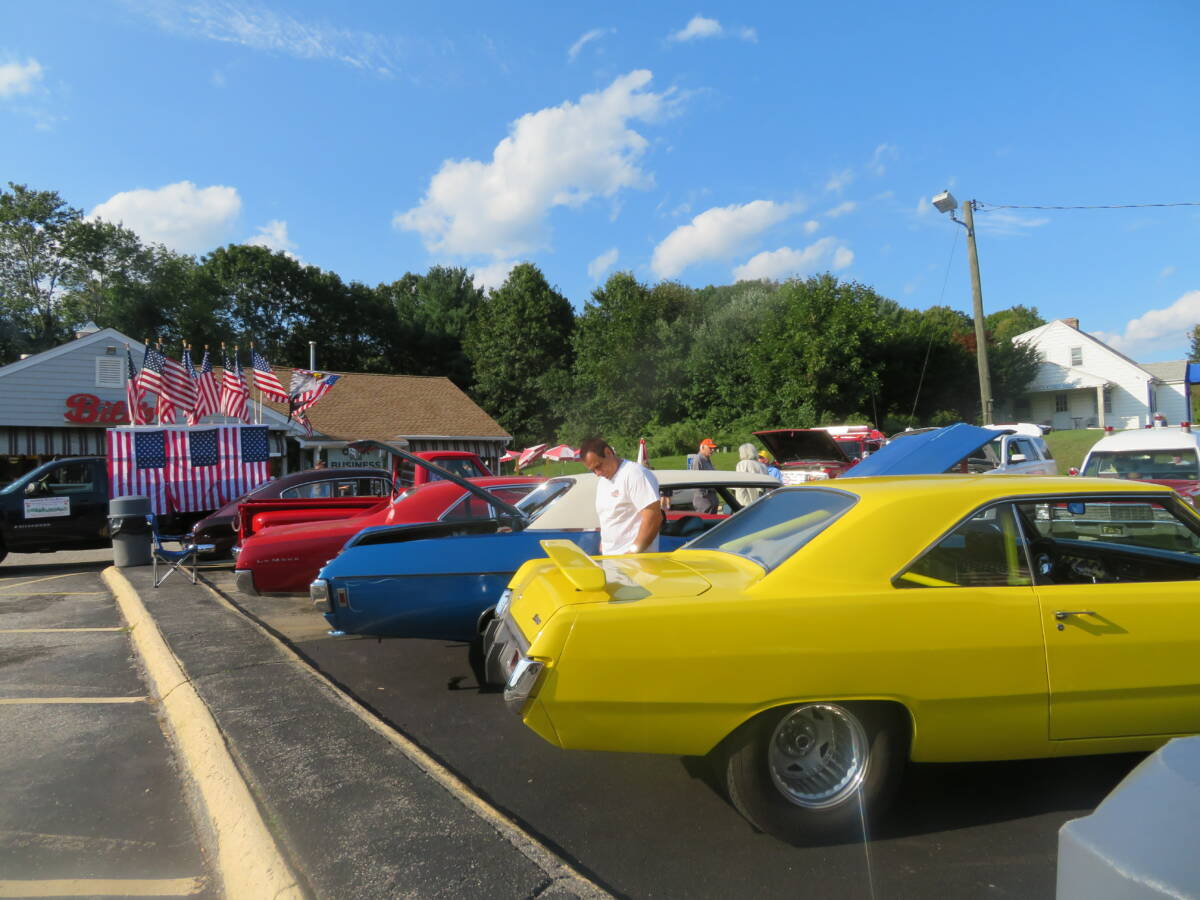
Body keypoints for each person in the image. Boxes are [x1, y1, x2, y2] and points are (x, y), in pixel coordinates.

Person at [579, 437, 661, 555]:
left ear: (608, 452)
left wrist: (634, 552)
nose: (597, 473)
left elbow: (653, 517)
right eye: (593, 470)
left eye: (598, 466)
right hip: (613, 560)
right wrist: (605, 542)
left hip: (635, 564)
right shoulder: (603, 481)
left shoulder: (634, 474)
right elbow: (610, 517)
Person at [689, 438, 718, 514]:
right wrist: (704, 496)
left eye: (713, 448)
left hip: (711, 496)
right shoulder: (698, 459)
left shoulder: (707, 459)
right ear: (702, 447)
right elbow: (696, 479)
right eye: (710, 448)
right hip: (704, 499)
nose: (712, 450)